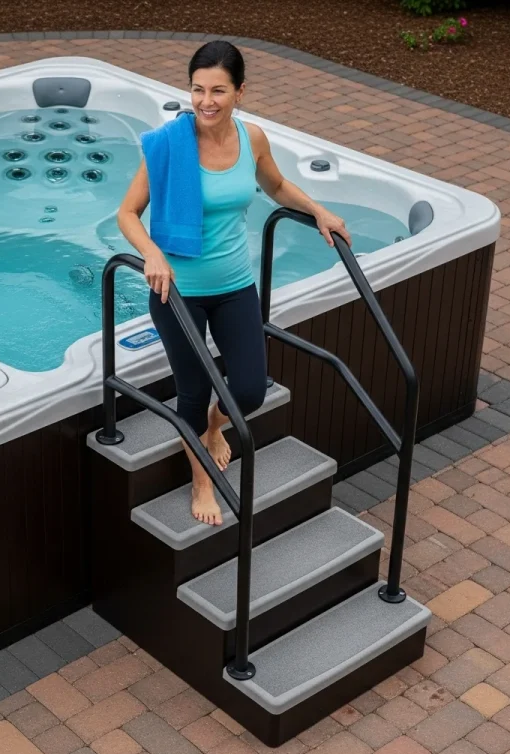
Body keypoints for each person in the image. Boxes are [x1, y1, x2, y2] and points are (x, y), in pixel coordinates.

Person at [117, 40, 352, 527]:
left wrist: (319, 210)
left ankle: (214, 427)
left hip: (234, 286)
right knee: (192, 391)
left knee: (248, 392)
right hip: (177, 291)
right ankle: (202, 480)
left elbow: (277, 186)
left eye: (218, 90)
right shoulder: (166, 145)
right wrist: (153, 253)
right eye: (198, 89)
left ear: (240, 92)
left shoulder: (254, 139)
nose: (206, 101)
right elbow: (127, 213)